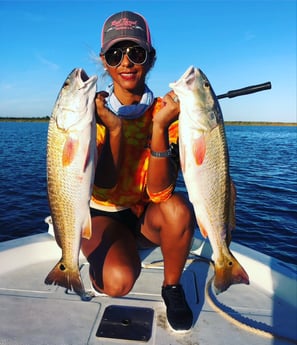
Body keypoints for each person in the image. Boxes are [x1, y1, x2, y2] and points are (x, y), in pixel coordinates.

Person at [81, 10, 195, 332]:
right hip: (103, 212)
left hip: (144, 212)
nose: (126, 62)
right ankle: (99, 262)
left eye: (136, 52)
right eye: (116, 54)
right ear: (105, 62)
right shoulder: (92, 113)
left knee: (178, 209)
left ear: (150, 58)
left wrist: (159, 126)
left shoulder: (167, 114)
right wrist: (114, 130)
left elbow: (160, 192)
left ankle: (171, 287)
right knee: (117, 281)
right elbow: (102, 182)